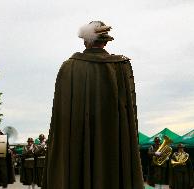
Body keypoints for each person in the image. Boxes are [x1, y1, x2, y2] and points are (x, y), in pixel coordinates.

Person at [42, 21, 144, 189]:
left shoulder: (68, 67)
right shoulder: (121, 67)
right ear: (105, 42)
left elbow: (60, 118)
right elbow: (129, 113)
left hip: (75, 144)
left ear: (85, 41)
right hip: (113, 141)